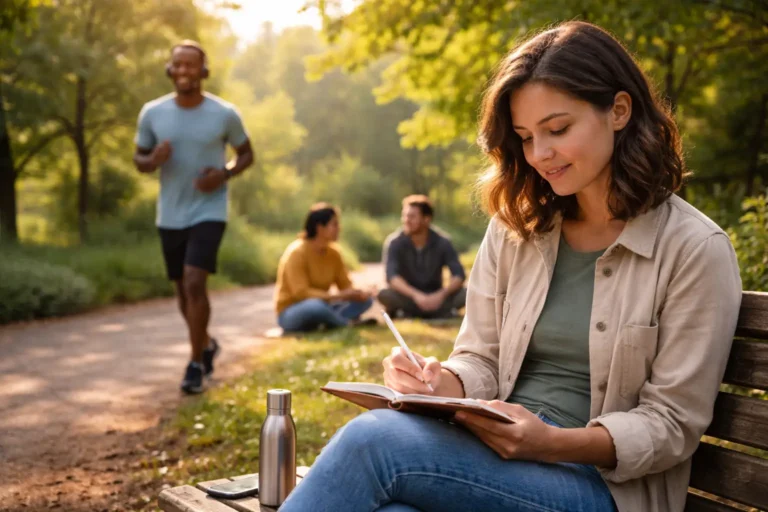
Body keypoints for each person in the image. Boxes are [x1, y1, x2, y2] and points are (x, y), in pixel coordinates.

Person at [280, 21, 742, 512]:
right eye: (524, 137)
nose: (539, 155)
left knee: (372, 443)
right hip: (494, 460)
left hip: (601, 487)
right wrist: (440, 385)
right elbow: (479, 356)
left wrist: (548, 443)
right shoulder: (518, 229)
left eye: (558, 129)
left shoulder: (694, 249)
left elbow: (671, 424)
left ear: (619, 111)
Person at [133, 40, 254, 394]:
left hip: (210, 208)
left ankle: (195, 365)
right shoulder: (152, 113)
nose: (184, 71)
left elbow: (246, 154)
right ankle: (206, 343)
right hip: (170, 213)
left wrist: (225, 173)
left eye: (191, 65)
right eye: (178, 65)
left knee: (194, 282)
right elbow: (139, 160)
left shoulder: (224, 114)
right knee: (182, 294)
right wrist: (152, 160)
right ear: (170, 70)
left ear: (204, 71)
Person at [275, 203, 375, 332]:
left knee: (367, 301)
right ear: (320, 228)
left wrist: (359, 293)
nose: (339, 228)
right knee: (316, 306)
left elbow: (345, 285)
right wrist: (335, 296)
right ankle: (345, 324)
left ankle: (328, 322)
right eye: (334, 224)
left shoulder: (334, 253)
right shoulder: (297, 252)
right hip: (291, 312)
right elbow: (300, 293)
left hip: (324, 305)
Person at [377, 195, 467, 319]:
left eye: (412, 216)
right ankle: (441, 313)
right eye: (405, 215)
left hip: (437, 297)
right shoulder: (394, 242)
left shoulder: (443, 242)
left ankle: (408, 313)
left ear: (426, 219)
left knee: (468, 293)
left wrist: (440, 295)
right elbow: (392, 277)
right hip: (409, 297)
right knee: (384, 294)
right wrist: (416, 296)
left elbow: (459, 275)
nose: (406, 220)